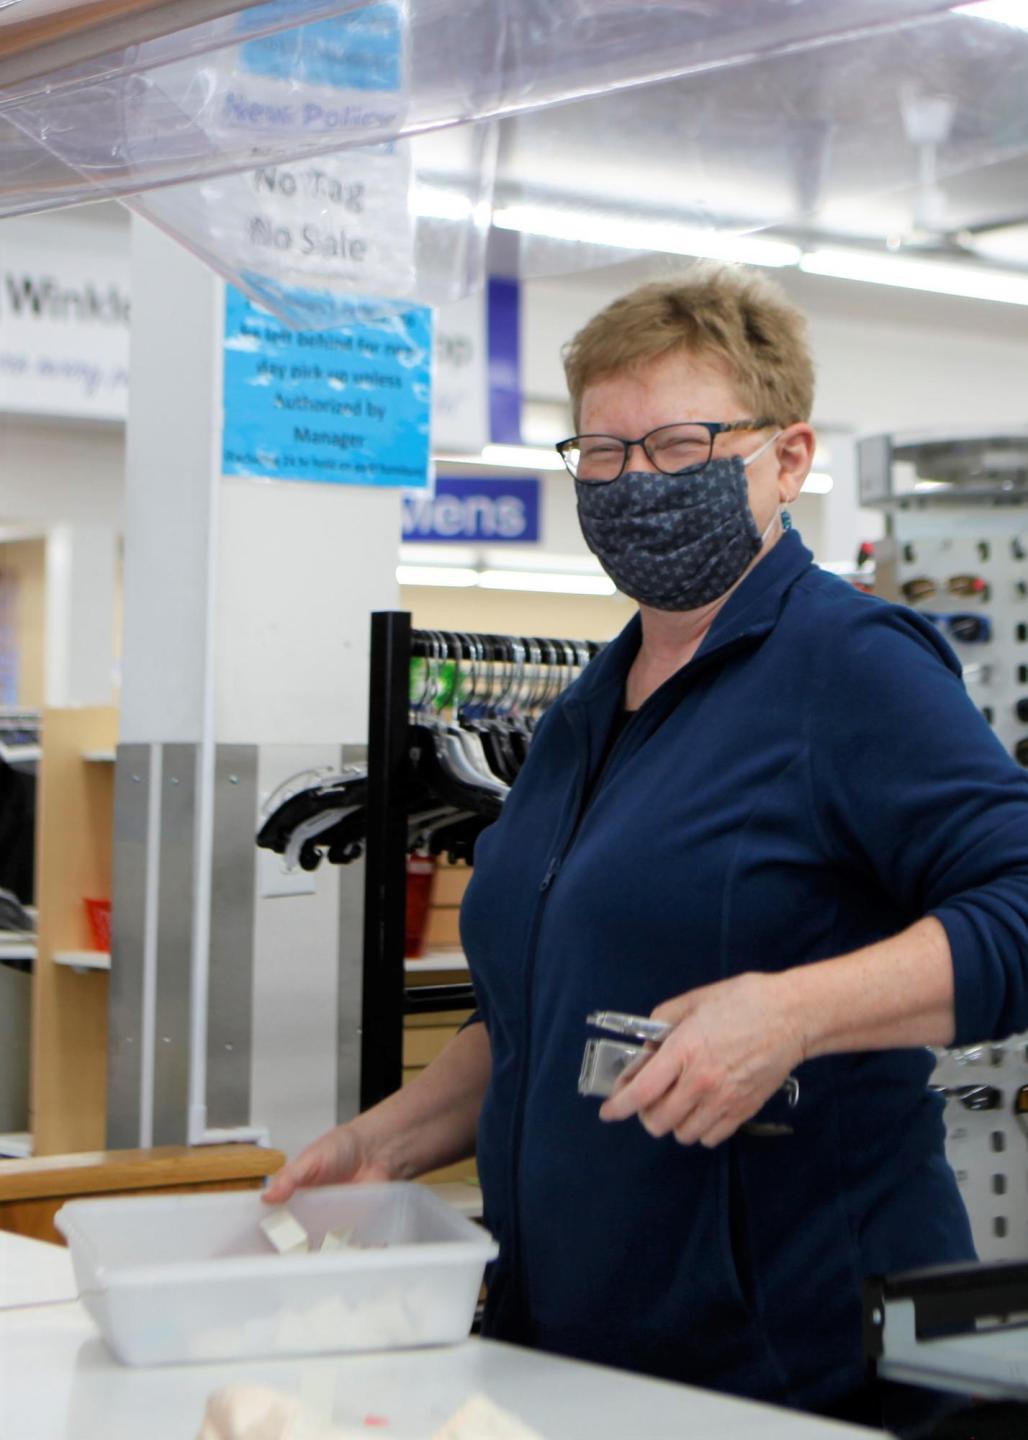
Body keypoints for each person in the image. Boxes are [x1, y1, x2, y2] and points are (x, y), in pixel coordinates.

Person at [266, 265, 1028, 1426]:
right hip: (572, 1351)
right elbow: (540, 1005)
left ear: (786, 457)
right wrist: (389, 1140)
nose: (632, 484)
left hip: (791, 1368)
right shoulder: (583, 713)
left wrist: (791, 1014)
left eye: (677, 445)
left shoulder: (852, 666)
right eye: (602, 455)